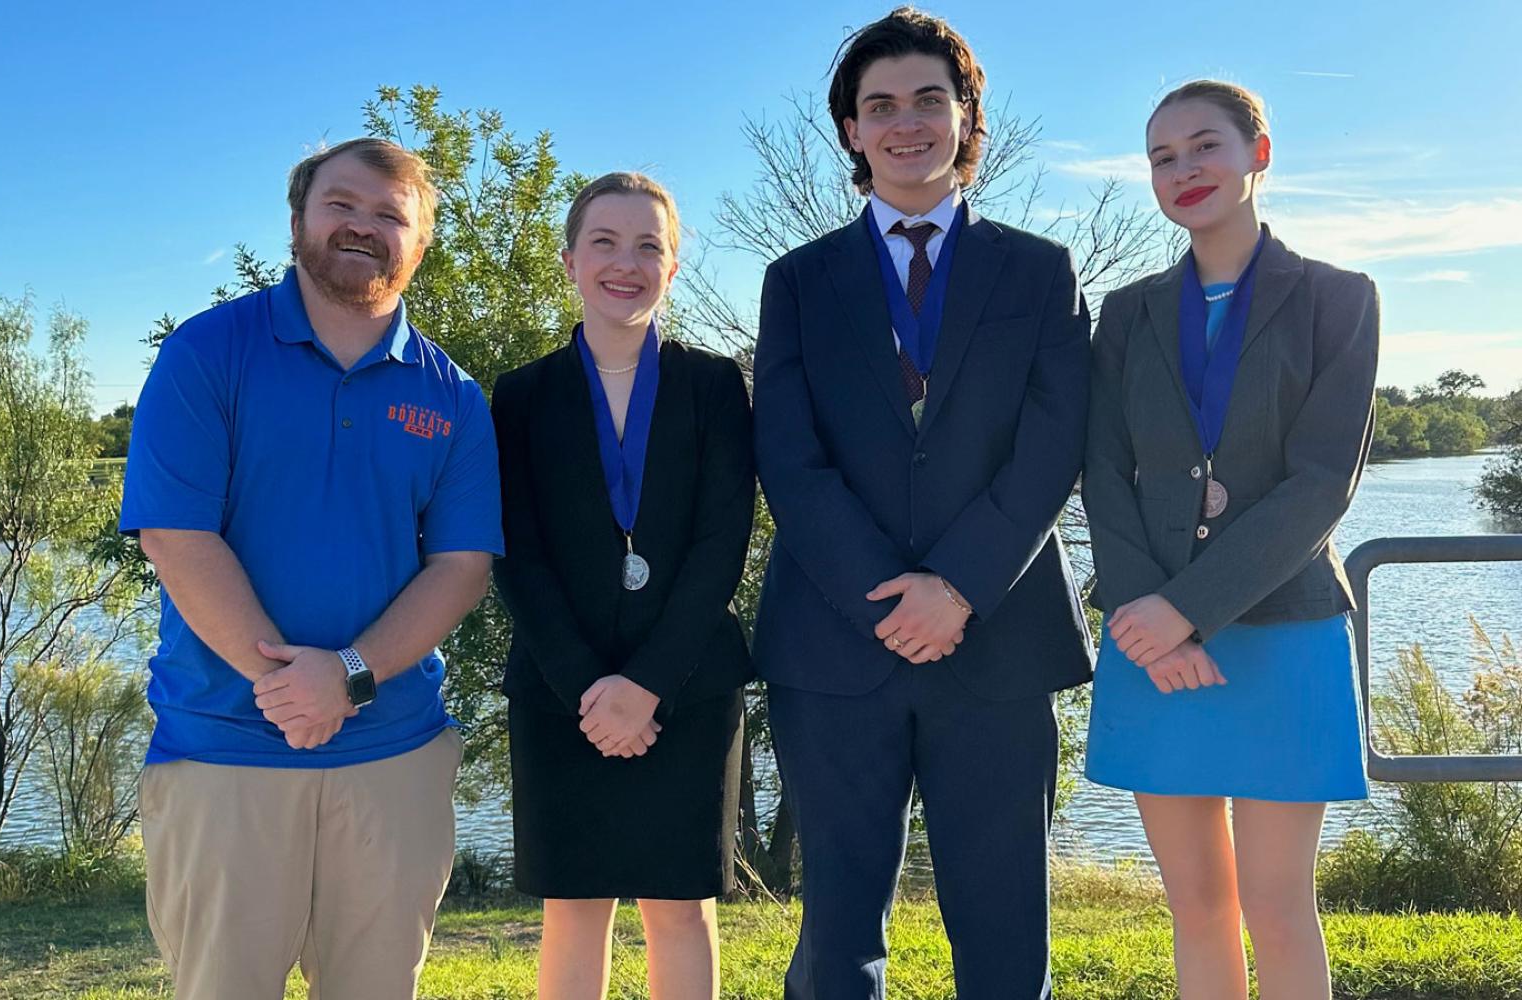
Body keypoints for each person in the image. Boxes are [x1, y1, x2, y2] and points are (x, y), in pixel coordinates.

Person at [751, 8, 1093, 997]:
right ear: (851, 130)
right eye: (881, 105)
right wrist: (888, 598)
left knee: (1004, 927)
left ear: (967, 116)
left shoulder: (1039, 271)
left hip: (997, 637)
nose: (906, 122)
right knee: (836, 934)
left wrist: (958, 587)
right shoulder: (796, 281)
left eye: (928, 100)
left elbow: (1052, 445)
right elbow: (789, 457)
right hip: (833, 645)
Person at [120, 137, 501, 1000]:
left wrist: (349, 676)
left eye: (389, 215)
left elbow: (462, 567)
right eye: (341, 205)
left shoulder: (452, 395)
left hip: (393, 757)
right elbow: (176, 537)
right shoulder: (207, 353)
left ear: (420, 242)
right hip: (223, 753)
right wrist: (290, 689)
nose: (362, 226)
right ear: (297, 220)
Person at [1083, 79, 1377, 999]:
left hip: (1284, 627)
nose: (1184, 169)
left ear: (1260, 153)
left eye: (1205, 145)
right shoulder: (1126, 312)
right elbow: (1102, 472)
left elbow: (1323, 483)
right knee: (1197, 908)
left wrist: (1187, 611)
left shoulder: (1340, 298)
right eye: (1162, 157)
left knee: (1277, 908)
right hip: (1148, 634)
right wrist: (1148, 613)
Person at [490, 171, 754, 1000]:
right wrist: (589, 689)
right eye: (604, 242)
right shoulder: (521, 396)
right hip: (559, 691)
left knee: (681, 909)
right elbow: (516, 555)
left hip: (688, 684)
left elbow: (722, 545)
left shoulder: (716, 386)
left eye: (648, 246)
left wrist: (646, 687)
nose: (625, 264)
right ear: (570, 260)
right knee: (573, 911)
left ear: (673, 266)